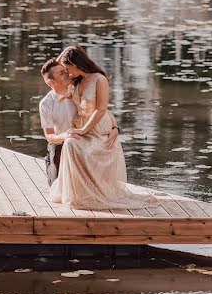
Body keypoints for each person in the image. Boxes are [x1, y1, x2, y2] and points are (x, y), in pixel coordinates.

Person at [47, 45, 157, 210]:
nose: (66, 72)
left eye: (68, 67)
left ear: (76, 64)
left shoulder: (99, 79)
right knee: (70, 143)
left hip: (98, 130)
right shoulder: (75, 80)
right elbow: (55, 65)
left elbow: (102, 109)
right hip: (81, 128)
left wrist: (106, 129)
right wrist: (69, 49)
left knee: (73, 145)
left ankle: (93, 193)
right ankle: (78, 193)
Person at [39, 59, 118, 185]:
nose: (66, 74)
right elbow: (49, 136)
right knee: (57, 185)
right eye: (61, 73)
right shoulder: (45, 104)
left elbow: (101, 110)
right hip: (60, 143)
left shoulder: (78, 88)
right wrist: (65, 136)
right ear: (51, 83)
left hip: (85, 139)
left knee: (86, 183)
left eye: (65, 70)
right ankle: (50, 162)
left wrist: (115, 128)